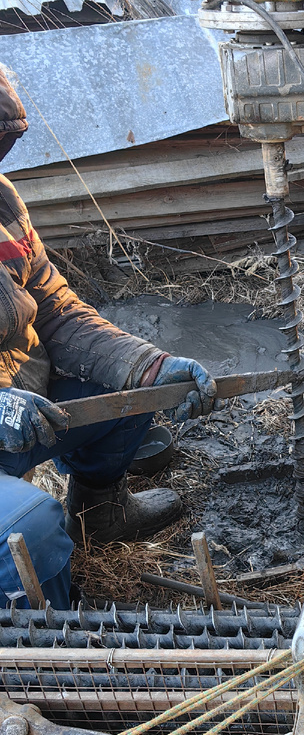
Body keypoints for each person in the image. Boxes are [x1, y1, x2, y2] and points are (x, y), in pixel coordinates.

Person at [0, 68, 216, 609]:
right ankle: (41, 654)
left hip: (17, 408)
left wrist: (149, 366)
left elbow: (55, 308)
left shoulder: (2, 203)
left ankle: (100, 515)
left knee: (128, 398)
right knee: (31, 529)